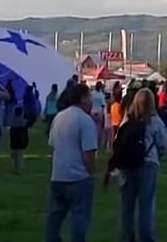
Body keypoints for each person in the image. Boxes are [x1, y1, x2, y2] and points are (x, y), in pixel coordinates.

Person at [108, 88, 167, 242]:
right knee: (146, 205)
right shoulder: (155, 121)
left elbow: (118, 140)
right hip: (148, 164)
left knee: (126, 205)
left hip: (127, 165)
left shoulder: (127, 120)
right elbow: (163, 144)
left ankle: (126, 236)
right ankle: (146, 237)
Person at [47, 83, 100, 242]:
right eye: (89, 97)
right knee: (79, 220)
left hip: (58, 175)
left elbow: (53, 144)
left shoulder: (59, 117)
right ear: (83, 98)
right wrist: (92, 174)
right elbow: (88, 154)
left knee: (54, 220)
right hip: (78, 178)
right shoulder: (85, 120)